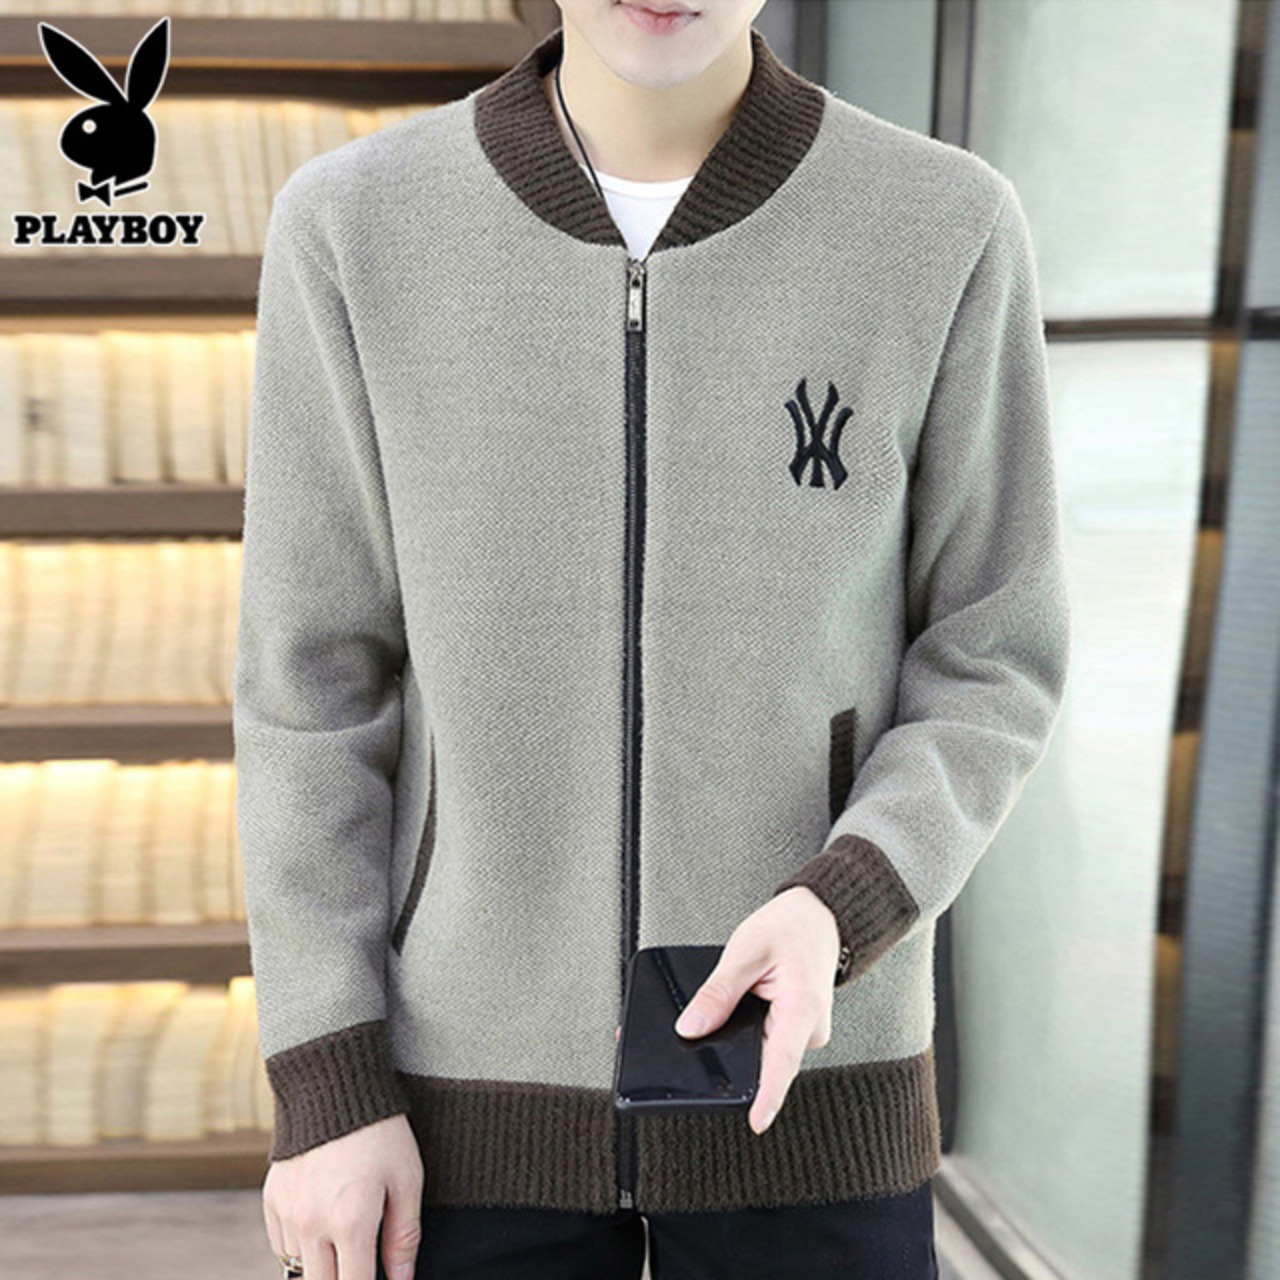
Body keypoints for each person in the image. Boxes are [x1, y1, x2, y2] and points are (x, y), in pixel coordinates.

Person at [233, 1, 1072, 1277]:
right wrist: (328, 1082)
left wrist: (842, 902)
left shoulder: (941, 225)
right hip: (455, 1116)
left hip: (812, 1095)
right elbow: (311, 686)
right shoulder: (355, 227)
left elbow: (993, 652)